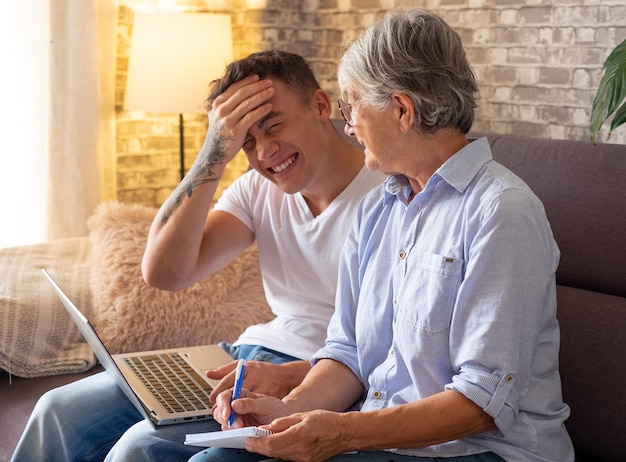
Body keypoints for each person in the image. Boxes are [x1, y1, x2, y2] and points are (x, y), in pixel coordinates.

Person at [201, 9, 575, 462]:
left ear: (402, 110)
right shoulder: (377, 208)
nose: (349, 124)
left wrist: (342, 432)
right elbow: (350, 354)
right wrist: (286, 415)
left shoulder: (501, 210)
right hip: (387, 441)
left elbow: (483, 401)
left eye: (351, 105)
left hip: (480, 452)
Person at [10, 50, 384, 462]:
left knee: (140, 448)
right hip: (243, 355)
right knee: (58, 410)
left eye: (274, 125)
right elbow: (165, 271)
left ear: (319, 105)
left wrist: (292, 378)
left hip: (320, 375)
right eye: (245, 141)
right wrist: (212, 154)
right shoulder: (258, 191)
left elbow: (388, 346)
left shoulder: (388, 189)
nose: (264, 152)